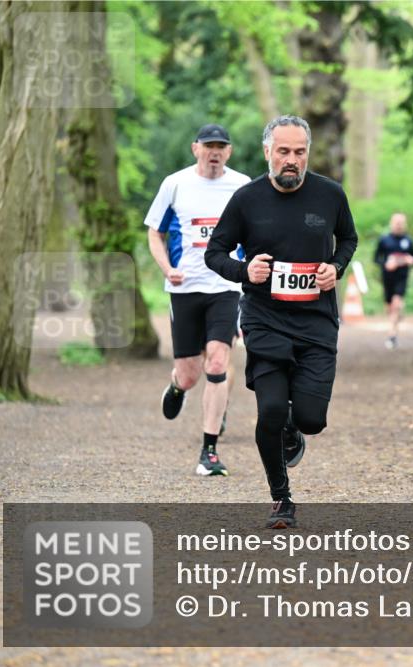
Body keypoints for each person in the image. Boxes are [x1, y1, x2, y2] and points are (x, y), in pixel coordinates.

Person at [205, 115, 358, 529]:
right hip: (265, 318)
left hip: (316, 321)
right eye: (284, 151)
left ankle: (296, 425)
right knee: (270, 410)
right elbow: (214, 252)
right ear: (268, 152)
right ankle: (281, 498)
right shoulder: (247, 199)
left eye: (300, 152)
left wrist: (336, 267)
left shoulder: (330, 195)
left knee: (311, 419)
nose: (292, 160)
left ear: (308, 153)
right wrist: (244, 270)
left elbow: (348, 239)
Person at [145, 123, 250, 477]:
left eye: (221, 146)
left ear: (229, 152)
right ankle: (178, 386)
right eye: (209, 146)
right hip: (185, 288)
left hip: (226, 287)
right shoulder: (175, 184)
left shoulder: (242, 186)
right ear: (195, 149)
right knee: (190, 375)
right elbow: (154, 234)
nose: (215, 152)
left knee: (218, 363)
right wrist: (166, 268)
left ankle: (209, 451)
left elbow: (256, 234)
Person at [374, 213, 413, 349]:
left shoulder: (408, 241)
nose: (398, 224)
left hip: (402, 278)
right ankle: (396, 319)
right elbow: (376, 258)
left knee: (396, 305)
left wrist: (411, 260)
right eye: (396, 222)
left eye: (401, 222)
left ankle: (392, 335)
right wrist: (386, 263)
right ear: (391, 223)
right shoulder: (384, 240)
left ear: (405, 224)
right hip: (387, 278)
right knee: (390, 308)